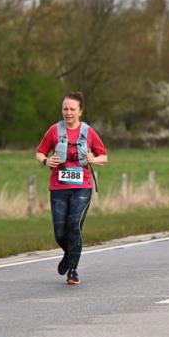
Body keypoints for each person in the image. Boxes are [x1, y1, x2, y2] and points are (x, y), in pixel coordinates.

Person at [36, 92, 108, 286]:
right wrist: (46, 160)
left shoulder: (89, 132)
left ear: (80, 111)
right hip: (58, 187)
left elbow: (104, 157)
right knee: (60, 232)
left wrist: (94, 159)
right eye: (65, 109)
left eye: (72, 109)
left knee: (74, 225)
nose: (68, 113)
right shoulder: (54, 131)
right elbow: (40, 151)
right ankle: (69, 254)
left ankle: (73, 271)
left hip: (82, 187)